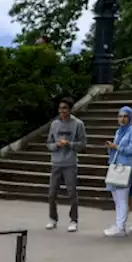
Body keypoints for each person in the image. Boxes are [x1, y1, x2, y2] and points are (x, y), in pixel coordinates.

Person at [45, 97, 86, 232]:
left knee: (72, 193)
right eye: (60, 108)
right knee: (52, 193)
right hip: (56, 162)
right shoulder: (54, 124)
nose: (62, 111)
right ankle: (52, 218)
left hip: (70, 163)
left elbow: (82, 144)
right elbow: (49, 144)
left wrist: (70, 144)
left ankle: (73, 220)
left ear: (70, 109)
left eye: (65, 108)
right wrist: (56, 145)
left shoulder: (78, 124)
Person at [104, 105, 132, 236]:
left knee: (122, 198)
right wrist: (111, 147)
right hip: (117, 166)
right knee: (116, 198)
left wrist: (117, 147)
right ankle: (119, 224)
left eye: (125, 116)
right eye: (120, 116)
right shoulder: (119, 131)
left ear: (130, 117)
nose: (122, 119)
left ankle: (121, 227)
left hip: (126, 168)